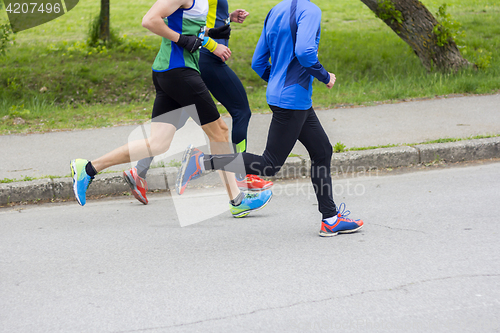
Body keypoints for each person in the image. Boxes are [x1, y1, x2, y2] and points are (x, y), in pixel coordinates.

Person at [176, 0, 364, 236]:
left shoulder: (276, 10)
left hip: (288, 98)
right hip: (292, 100)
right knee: (269, 165)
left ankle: (330, 218)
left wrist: (277, 81)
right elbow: (305, 52)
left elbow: (257, 62)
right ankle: (202, 162)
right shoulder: (310, 10)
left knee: (322, 150)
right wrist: (325, 76)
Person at [70, 0, 272, 218]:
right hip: (179, 72)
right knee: (220, 132)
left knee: (157, 144)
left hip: (171, 71)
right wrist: (182, 40)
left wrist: (214, 32)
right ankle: (237, 200)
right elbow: (149, 20)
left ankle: (88, 168)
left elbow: (188, 26)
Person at [123, 1, 273, 206]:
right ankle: (240, 176)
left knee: (178, 119)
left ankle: (138, 171)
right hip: (204, 57)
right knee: (240, 111)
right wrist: (214, 45)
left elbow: (202, 16)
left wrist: (228, 17)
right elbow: (193, 24)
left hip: (198, 58)